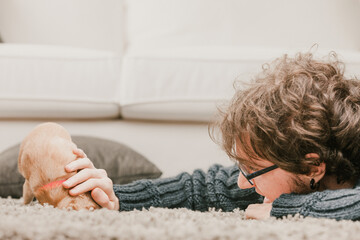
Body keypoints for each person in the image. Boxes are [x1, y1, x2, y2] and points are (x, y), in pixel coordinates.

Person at [62, 52, 360, 220]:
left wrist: (286, 209)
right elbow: (204, 187)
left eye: (253, 170)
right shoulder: (284, 169)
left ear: (312, 167)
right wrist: (116, 196)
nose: (243, 181)